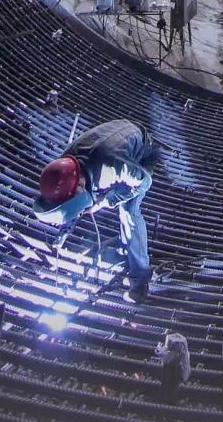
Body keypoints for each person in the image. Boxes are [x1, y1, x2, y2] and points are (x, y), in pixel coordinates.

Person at [34, 118, 157, 303]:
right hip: (115, 139)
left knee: (128, 212)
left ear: (80, 186)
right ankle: (127, 251)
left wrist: (105, 201)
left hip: (142, 153)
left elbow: (144, 182)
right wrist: (62, 235)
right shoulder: (64, 166)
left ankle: (140, 282)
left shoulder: (111, 167)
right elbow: (67, 202)